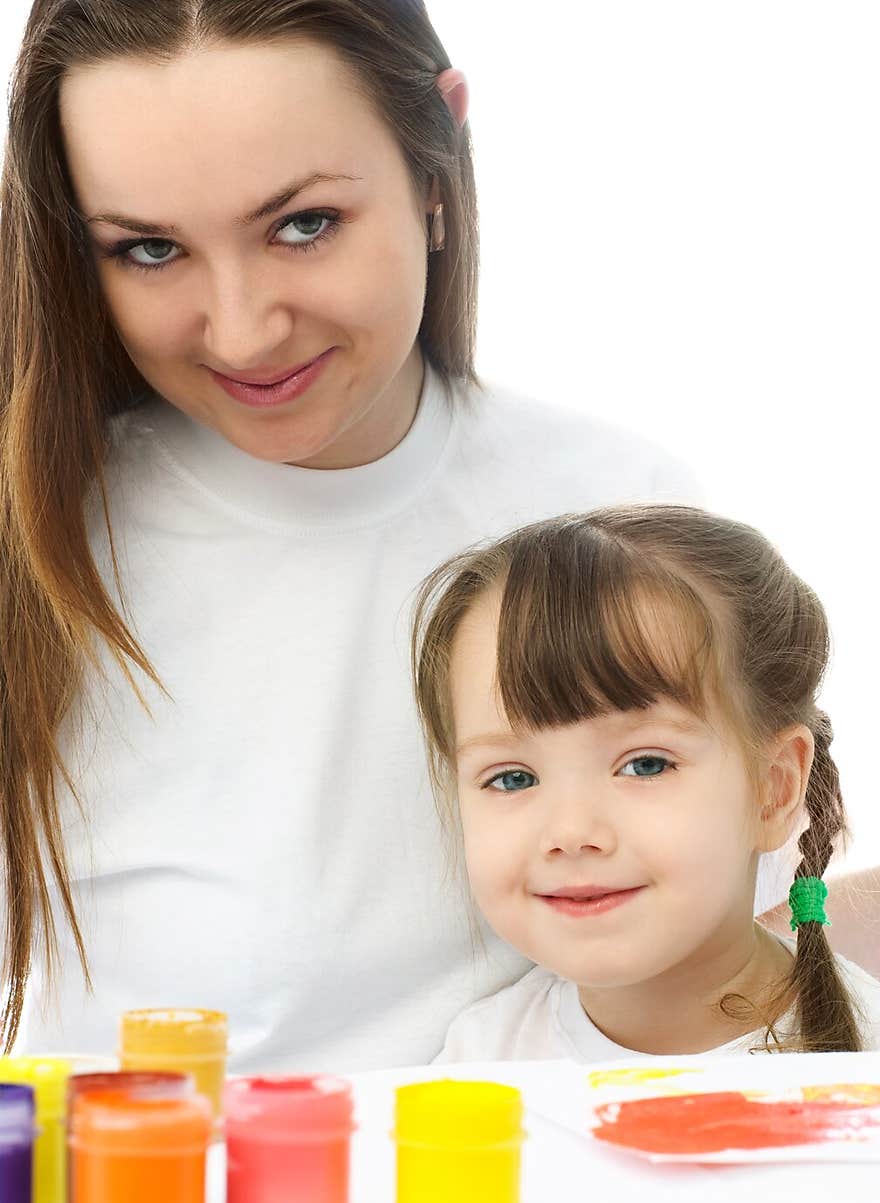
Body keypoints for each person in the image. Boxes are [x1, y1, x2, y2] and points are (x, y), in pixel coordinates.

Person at [0, 2, 873, 1070]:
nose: (240, 328)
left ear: (436, 168)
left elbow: (734, 943)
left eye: (303, 223)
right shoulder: (42, 541)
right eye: (147, 248)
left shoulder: (612, 514)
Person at [409, 505, 880, 1061]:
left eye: (645, 765)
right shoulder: (479, 1066)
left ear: (773, 789)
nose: (571, 831)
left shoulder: (863, 1050)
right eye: (513, 778)